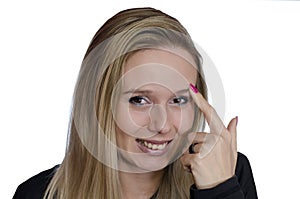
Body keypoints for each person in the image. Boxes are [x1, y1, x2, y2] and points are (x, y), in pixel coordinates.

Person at [13, 7, 257, 199]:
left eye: (179, 99)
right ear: (98, 102)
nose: (163, 125)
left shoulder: (230, 173)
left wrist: (218, 189)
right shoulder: (37, 195)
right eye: (139, 100)